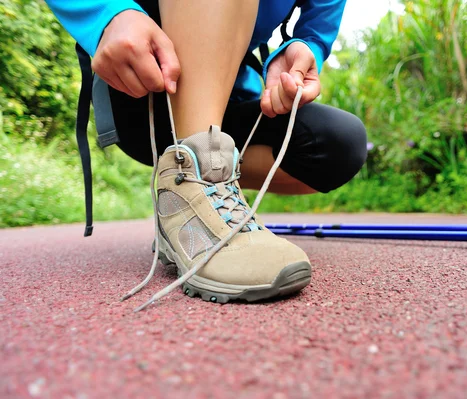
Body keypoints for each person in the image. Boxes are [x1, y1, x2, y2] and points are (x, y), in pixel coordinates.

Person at [46, 0, 367, 303]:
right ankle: (190, 178)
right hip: (140, 86)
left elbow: (316, 26)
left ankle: (204, 188)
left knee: (339, 144)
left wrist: (305, 46)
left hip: (230, 97)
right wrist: (107, 13)